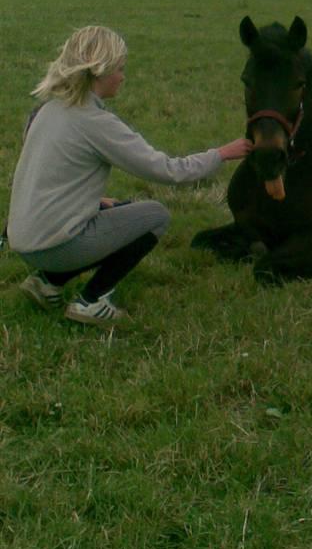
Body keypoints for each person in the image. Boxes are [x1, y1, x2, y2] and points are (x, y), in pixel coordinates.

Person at [7, 25, 251, 326]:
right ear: (100, 72)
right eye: (120, 69)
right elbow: (167, 170)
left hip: (24, 239)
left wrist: (94, 202)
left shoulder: (48, 109)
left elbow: (51, 176)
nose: (123, 76)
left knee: (121, 211)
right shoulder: (96, 122)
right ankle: (92, 301)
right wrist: (222, 154)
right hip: (54, 246)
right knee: (154, 216)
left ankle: (47, 283)